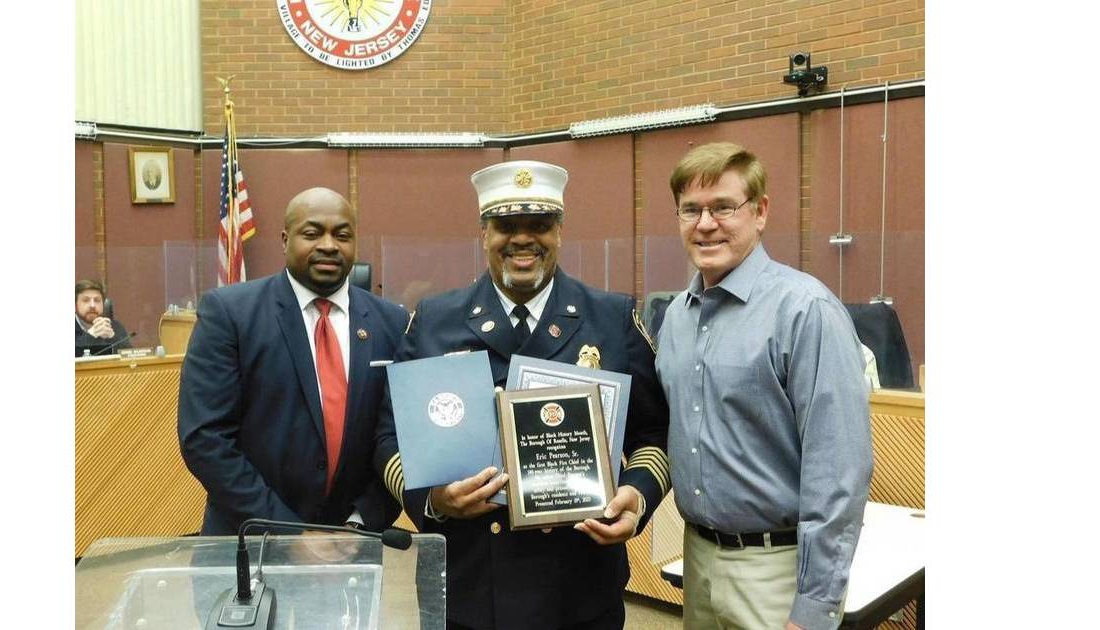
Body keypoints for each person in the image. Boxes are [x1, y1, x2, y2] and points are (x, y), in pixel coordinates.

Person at [373, 160, 671, 629]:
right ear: (483, 232)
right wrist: (433, 498)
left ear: (560, 231)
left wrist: (637, 493)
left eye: (540, 225)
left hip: (578, 584)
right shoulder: (435, 320)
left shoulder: (610, 318)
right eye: (506, 225)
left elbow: (654, 432)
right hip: (466, 584)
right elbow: (389, 436)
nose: (522, 239)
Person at [655, 142, 872, 630]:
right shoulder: (675, 318)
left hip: (778, 573)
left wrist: (815, 608)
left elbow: (839, 472)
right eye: (691, 209)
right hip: (698, 557)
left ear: (760, 212)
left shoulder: (805, 311)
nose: (706, 224)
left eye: (724, 207)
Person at [178, 187, 408, 535]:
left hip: (353, 547)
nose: (329, 245)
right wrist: (292, 534)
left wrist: (359, 523)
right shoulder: (230, 314)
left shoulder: (392, 322)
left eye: (342, 235)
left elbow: (401, 436)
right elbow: (205, 438)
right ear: (285, 240)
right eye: (312, 233)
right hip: (251, 540)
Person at [75, 280, 131, 356]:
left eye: (97, 300)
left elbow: (129, 355)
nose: (92, 305)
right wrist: (90, 336)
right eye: (86, 300)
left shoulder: (115, 326)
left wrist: (112, 337)